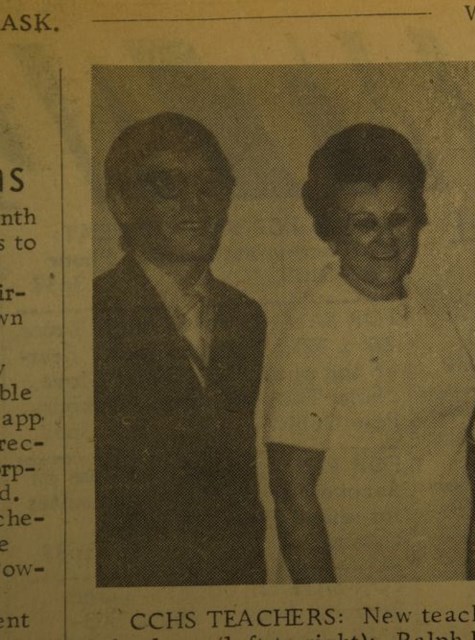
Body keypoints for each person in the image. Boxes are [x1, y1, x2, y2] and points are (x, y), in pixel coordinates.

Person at [263, 123, 475, 583]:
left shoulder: (432, 312)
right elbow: (291, 493)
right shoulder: (314, 327)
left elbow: (459, 453)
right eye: (364, 224)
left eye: (398, 219)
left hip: (441, 574)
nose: (386, 239)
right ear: (331, 233)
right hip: (355, 580)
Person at [94, 112, 266, 586]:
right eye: (168, 185)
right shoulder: (92, 314)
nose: (196, 203)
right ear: (121, 203)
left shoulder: (246, 317)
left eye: (211, 186)